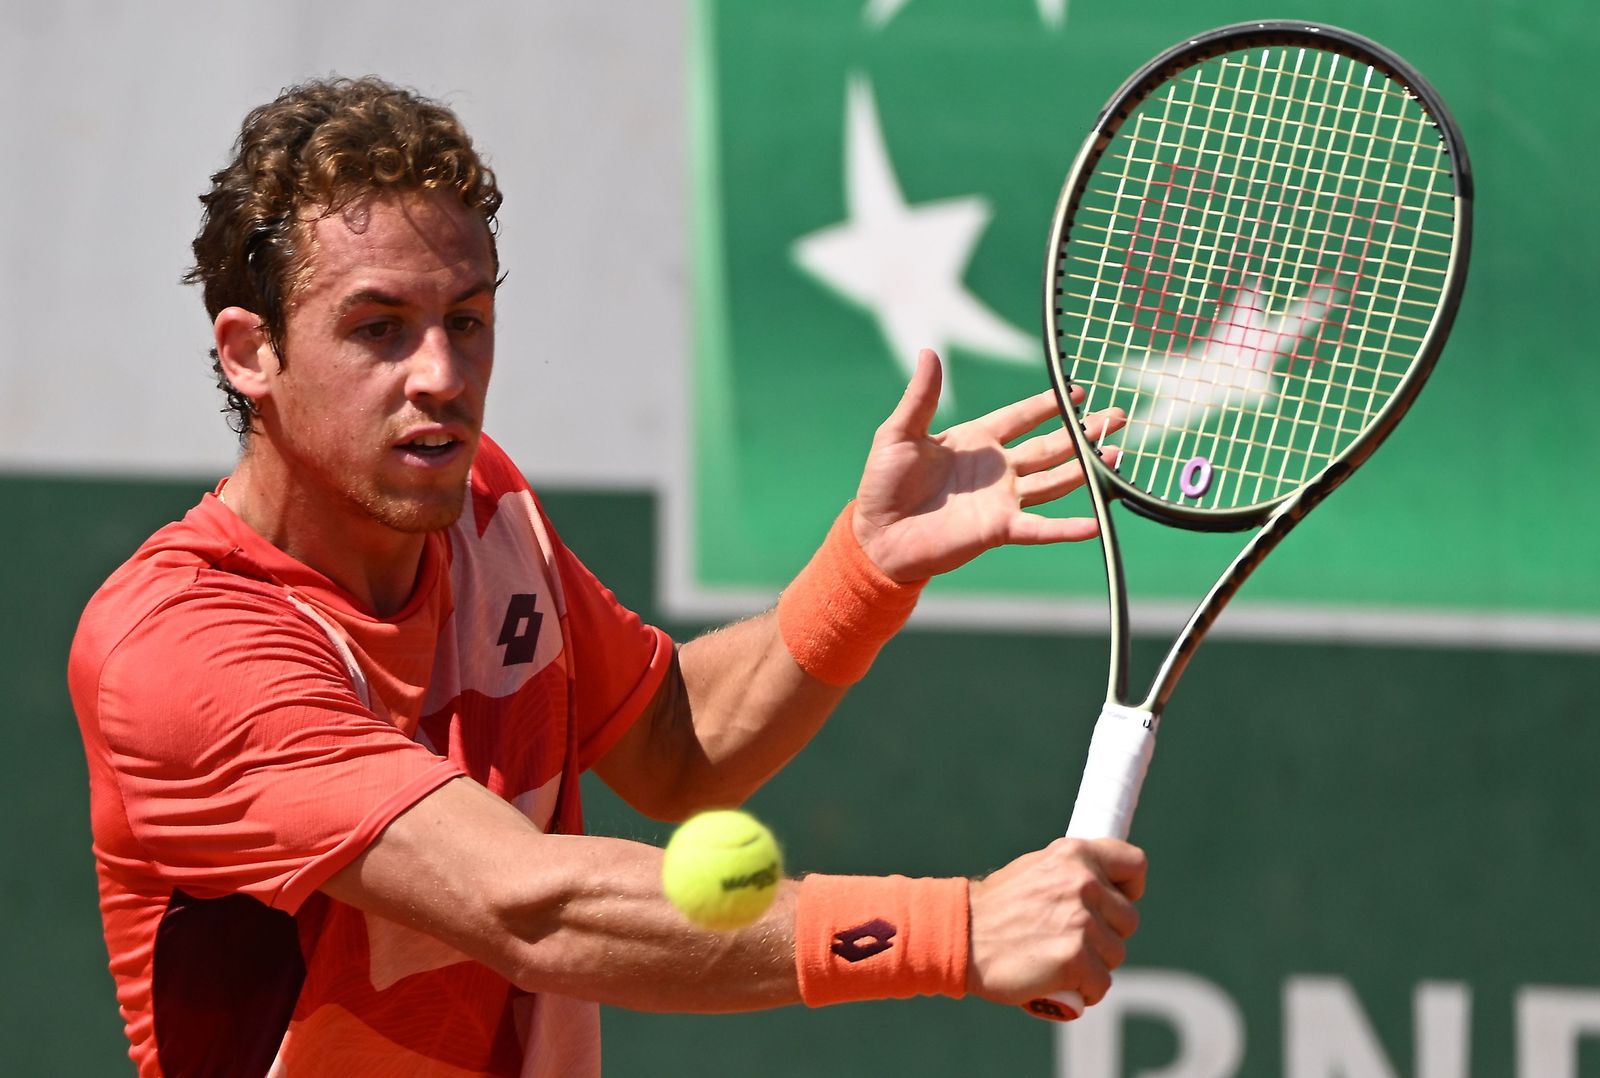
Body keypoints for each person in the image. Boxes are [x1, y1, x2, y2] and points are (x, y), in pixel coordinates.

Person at [67, 76, 1146, 1077]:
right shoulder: (179, 650)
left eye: (468, 320)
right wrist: (953, 929)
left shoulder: (484, 510)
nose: (441, 376)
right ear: (250, 350)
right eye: (379, 330)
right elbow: (528, 907)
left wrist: (861, 572)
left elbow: (679, 747)